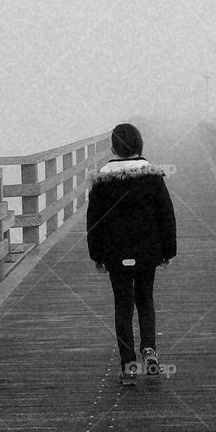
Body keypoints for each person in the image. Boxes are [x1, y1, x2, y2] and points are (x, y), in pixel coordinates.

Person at [86, 122, 176, 386]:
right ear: (140, 146)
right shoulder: (152, 176)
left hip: (116, 253)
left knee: (123, 305)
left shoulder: (102, 180)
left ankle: (128, 366)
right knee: (145, 299)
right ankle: (149, 349)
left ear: (114, 147)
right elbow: (166, 216)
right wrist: (168, 251)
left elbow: (94, 221)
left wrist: (97, 255)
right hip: (147, 251)